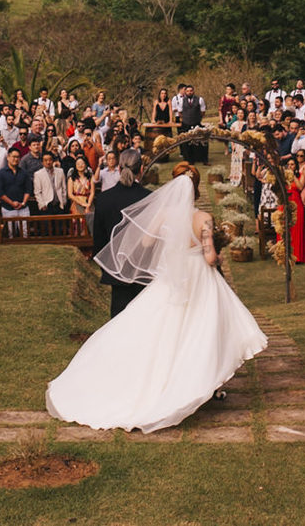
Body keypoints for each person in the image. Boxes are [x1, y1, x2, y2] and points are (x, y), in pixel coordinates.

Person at [46, 162, 267, 433]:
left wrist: (170, 244)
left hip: (172, 278)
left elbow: (147, 243)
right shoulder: (203, 219)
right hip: (197, 276)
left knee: (166, 328)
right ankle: (205, 385)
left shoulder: (163, 215)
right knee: (202, 328)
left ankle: (171, 380)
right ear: (196, 190)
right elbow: (210, 257)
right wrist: (216, 252)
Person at [91, 152, 153, 317]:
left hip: (116, 268)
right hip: (142, 269)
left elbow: (99, 239)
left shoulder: (104, 199)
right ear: (141, 169)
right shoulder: (149, 198)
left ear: (118, 168)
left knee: (118, 318)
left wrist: (108, 266)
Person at [282, 159, 305, 264]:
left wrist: (293, 176)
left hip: (297, 204)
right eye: (288, 165)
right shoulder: (284, 177)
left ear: (296, 166)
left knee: (297, 230)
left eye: (292, 164)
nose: (290, 166)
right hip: (285, 204)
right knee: (285, 230)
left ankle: (297, 257)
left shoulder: (301, 175)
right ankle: (284, 256)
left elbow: (300, 187)